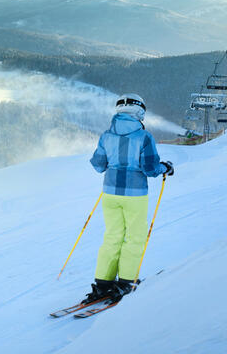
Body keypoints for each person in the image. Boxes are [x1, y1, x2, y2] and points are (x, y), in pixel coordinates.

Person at [85, 93, 173, 301]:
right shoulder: (144, 137)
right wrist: (165, 168)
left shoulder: (106, 135)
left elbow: (98, 165)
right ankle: (125, 282)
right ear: (140, 111)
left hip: (110, 193)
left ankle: (103, 283)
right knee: (134, 237)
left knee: (112, 236)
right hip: (135, 195)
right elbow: (150, 169)